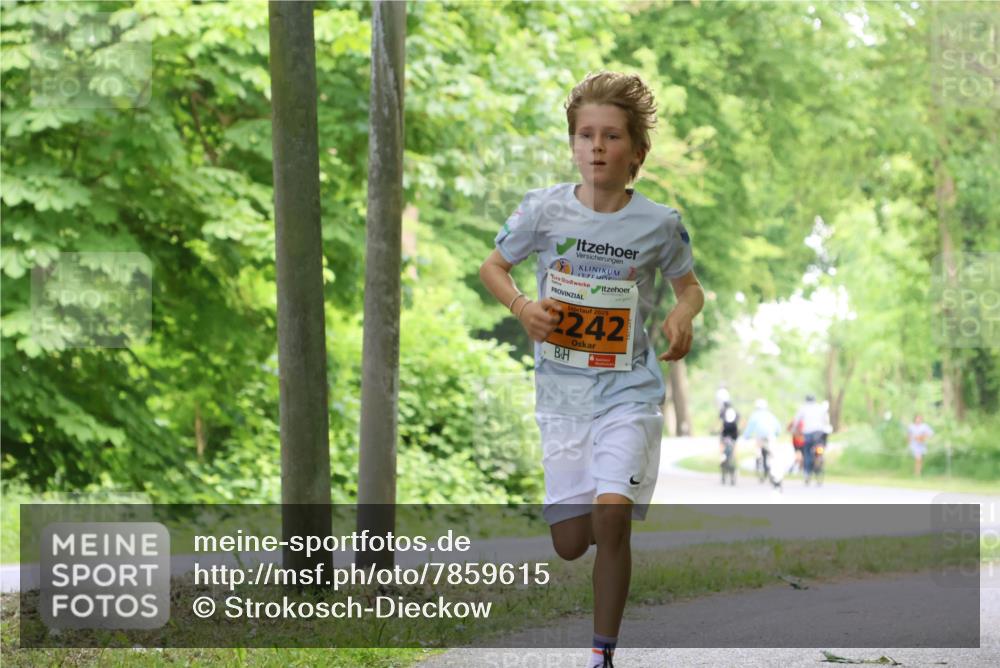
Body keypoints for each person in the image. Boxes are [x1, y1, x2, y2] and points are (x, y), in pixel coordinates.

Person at [479, 71, 704, 668]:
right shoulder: (543, 210)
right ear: (573, 144)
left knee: (613, 516)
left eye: (610, 136)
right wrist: (523, 307)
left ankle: (602, 655)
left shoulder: (659, 223)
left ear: (636, 151)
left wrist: (682, 316)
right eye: (586, 135)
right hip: (562, 398)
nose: (597, 147)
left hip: (628, 391)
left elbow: (690, 288)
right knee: (571, 542)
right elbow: (493, 267)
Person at [742, 399, 786, 489]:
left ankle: (759, 461)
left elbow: (749, 429)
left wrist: (746, 437)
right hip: (770, 436)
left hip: (760, 437)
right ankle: (775, 475)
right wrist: (776, 435)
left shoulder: (754, 415)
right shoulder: (770, 415)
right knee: (773, 455)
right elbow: (778, 428)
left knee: (758, 451)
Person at [791, 395, 829, 485]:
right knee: (820, 447)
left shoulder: (803, 408)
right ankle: (820, 458)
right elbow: (826, 420)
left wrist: (794, 429)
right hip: (820, 432)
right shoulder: (820, 408)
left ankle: (807, 473)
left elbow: (796, 421)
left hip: (808, 433)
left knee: (807, 452)